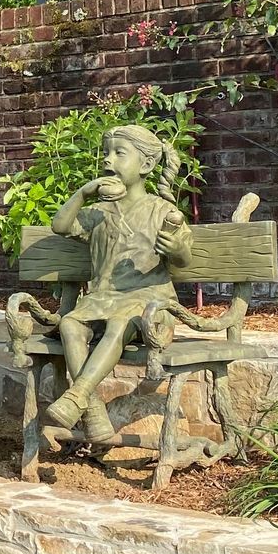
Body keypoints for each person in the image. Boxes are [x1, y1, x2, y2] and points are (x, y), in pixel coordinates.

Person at [41, 124, 193, 435]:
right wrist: (84, 192)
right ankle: (93, 411)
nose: (108, 160)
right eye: (106, 153)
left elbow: (183, 260)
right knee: (70, 324)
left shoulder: (161, 210)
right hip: (102, 300)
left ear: (147, 165)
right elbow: (60, 225)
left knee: (119, 322)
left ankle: (78, 395)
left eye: (119, 153)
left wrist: (176, 248)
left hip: (149, 303)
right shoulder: (98, 212)